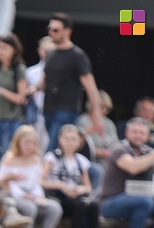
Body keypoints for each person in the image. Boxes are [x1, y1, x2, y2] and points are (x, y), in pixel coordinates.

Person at [35, 13, 103, 152]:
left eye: (56, 30)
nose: (51, 33)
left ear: (67, 31)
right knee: (58, 151)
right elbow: (44, 81)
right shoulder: (50, 54)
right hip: (48, 109)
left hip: (66, 110)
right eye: (50, 29)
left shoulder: (77, 56)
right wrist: (32, 88)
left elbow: (90, 87)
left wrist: (97, 115)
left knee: (51, 150)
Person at [0, 125, 63, 228]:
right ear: (18, 143)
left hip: (31, 196)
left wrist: (38, 195)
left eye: (33, 143)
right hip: (13, 197)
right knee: (30, 208)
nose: (30, 146)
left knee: (54, 208)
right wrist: (22, 194)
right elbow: (2, 182)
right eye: (26, 142)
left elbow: (36, 184)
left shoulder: (36, 160)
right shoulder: (8, 159)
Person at [41, 124, 99, 228]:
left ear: (79, 142)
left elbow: (88, 187)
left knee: (93, 205)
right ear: (60, 139)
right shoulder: (52, 157)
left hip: (75, 195)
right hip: (58, 195)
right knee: (81, 205)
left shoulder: (81, 161)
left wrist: (80, 188)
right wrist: (60, 185)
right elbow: (41, 180)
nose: (70, 142)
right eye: (66, 139)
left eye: (73, 139)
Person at [0, 33, 27, 167]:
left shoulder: (19, 69)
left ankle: (2, 183)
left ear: (13, 50)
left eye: (5, 48)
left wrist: (1, 91)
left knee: (5, 154)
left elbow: (21, 98)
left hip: (12, 118)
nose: (1, 51)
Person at [24, 36, 55, 152]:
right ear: (40, 51)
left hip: (52, 113)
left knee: (49, 145)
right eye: (46, 51)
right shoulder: (31, 72)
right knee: (33, 144)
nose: (48, 54)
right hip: (35, 114)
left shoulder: (59, 70)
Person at [77, 90, 118, 164]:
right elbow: (82, 147)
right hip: (89, 161)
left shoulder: (109, 123)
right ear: (92, 105)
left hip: (110, 161)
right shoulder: (83, 121)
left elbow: (116, 144)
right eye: (102, 107)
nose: (105, 111)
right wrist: (105, 153)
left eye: (107, 108)